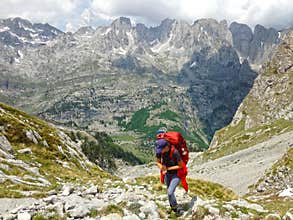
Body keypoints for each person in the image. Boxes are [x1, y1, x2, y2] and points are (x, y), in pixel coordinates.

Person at [155, 139, 184, 216]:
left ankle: (176, 208)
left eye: (162, 150)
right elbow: (157, 162)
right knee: (169, 192)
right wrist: (162, 167)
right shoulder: (159, 151)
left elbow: (181, 166)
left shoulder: (175, 152)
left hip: (176, 174)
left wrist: (168, 168)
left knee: (170, 192)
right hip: (167, 174)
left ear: (167, 147)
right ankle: (173, 208)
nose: (160, 151)